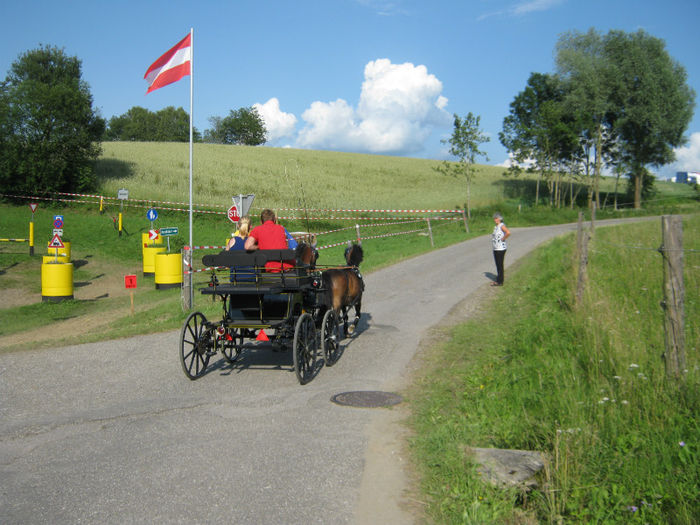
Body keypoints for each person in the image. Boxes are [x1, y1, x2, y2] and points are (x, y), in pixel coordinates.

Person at [225, 216, 255, 282]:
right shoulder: (253, 242)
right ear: (251, 227)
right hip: (252, 279)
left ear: (238, 226)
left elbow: (226, 264)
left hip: (235, 279)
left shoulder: (231, 242)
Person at [491, 212, 511, 286]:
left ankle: (500, 281)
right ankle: (499, 279)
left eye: (496, 218)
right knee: (498, 264)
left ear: (500, 219)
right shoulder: (496, 227)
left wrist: (503, 239)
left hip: (500, 248)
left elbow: (508, 232)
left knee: (500, 264)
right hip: (496, 248)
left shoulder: (501, 226)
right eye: (494, 218)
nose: (495, 220)